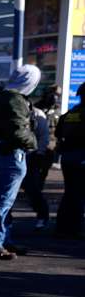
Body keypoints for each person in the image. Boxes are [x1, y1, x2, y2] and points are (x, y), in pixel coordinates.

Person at [0, 65, 40, 259]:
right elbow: (18, 130)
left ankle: (4, 240)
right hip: (12, 154)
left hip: (1, 152)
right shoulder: (14, 98)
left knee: (4, 201)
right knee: (3, 202)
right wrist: (33, 143)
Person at [24, 87, 59, 230]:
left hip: (43, 152)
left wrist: (41, 152)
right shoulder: (35, 108)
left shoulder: (52, 112)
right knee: (31, 186)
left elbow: (46, 134)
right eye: (52, 94)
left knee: (35, 185)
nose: (54, 97)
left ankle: (42, 214)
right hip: (30, 153)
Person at [55, 83, 85, 239]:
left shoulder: (70, 113)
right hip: (81, 157)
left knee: (70, 193)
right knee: (79, 195)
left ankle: (61, 227)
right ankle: (76, 228)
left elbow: (58, 132)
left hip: (67, 158)